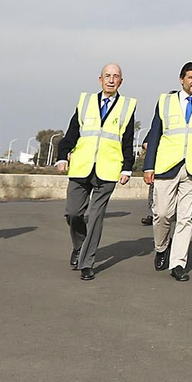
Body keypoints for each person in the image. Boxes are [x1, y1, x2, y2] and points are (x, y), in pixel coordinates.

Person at [53, 63, 137, 281]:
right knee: (73, 213)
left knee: (95, 216)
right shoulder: (86, 102)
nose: (111, 80)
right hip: (81, 166)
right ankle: (79, 246)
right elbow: (72, 132)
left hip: (108, 169)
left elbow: (128, 140)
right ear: (100, 79)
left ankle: (87, 262)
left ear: (121, 81)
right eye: (107, 76)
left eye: (115, 76)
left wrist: (127, 167)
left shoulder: (127, 106)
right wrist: (62, 155)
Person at [141, 61, 192, 282]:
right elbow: (154, 134)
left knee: (186, 218)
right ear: (181, 79)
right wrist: (148, 166)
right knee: (162, 214)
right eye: (191, 77)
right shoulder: (165, 102)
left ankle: (178, 263)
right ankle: (161, 247)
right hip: (166, 166)